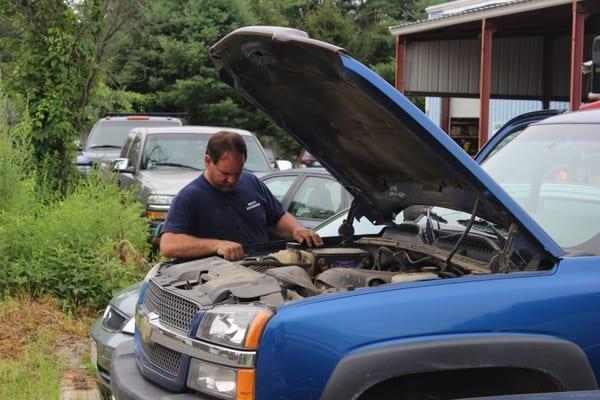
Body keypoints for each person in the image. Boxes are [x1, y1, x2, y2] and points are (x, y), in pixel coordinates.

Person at [160, 131, 323, 260]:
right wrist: (216, 245)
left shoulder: (251, 181)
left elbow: (277, 217)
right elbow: (169, 245)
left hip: (262, 268)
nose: (231, 180)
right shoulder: (189, 198)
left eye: (237, 173)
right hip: (220, 283)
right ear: (208, 161)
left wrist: (297, 229)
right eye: (225, 173)